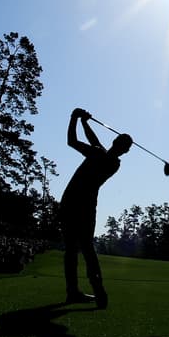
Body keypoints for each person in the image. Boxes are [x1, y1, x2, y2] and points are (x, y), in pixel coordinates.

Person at [58, 107, 132, 308]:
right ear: (125, 150)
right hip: (87, 206)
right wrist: (85, 123)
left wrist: (74, 118)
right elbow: (95, 142)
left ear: (115, 142)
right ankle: (97, 290)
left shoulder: (99, 155)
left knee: (72, 250)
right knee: (87, 248)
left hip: (71, 202)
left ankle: (73, 292)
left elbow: (72, 141)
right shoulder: (114, 163)